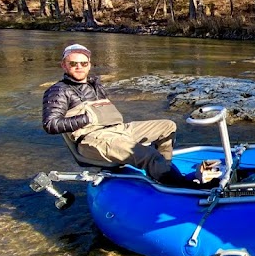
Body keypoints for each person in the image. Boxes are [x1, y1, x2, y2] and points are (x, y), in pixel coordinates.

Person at [42, 43, 181, 182]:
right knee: (148, 154)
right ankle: (177, 185)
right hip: (93, 139)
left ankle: (164, 172)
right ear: (64, 65)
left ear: (89, 65)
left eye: (83, 63)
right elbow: (51, 124)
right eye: (73, 63)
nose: (79, 67)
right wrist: (86, 118)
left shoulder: (95, 86)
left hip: (119, 130)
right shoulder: (58, 91)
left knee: (168, 126)